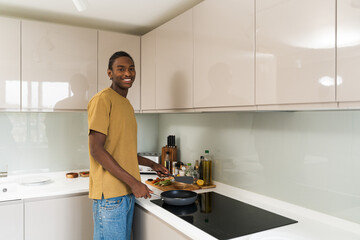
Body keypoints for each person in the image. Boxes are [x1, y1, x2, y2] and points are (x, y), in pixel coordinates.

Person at [87, 51, 168, 240]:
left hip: (126, 193)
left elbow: (124, 150)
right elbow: (96, 150)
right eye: (121, 69)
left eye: (131, 68)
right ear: (110, 73)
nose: (127, 73)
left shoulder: (126, 104)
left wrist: (152, 164)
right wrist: (134, 183)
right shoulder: (102, 99)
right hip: (111, 196)